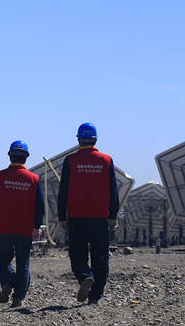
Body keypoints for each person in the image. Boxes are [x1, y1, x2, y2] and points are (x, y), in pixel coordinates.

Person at [58, 122, 119, 305]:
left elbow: (63, 191)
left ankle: (85, 276)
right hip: (100, 218)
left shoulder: (70, 161)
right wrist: (112, 215)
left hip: (77, 217)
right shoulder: (106, 161)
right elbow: (113, 191)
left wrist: (62, 216)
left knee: (77, 254)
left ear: (79, 140)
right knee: (100, 256)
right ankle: (95, 295)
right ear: (95, 139)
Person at [0, 140, 44, 308]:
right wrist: (37, 226)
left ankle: (8, 282)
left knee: (3, 260)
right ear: (26, 157)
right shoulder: (34, 179)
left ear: (9, 155)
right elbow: (40, 206)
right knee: (23, 263)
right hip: (24, 229)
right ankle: (18, 298)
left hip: (3, 228)